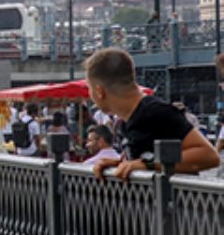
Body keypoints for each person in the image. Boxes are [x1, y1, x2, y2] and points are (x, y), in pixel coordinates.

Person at [86, 48, 219, 180]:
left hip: (172, 199)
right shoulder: (127, 120)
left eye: (89, 89)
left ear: (99, 91)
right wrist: (118, 164)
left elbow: (209, 156)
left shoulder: (156, 112)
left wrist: (147, 165)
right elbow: (144, 159)